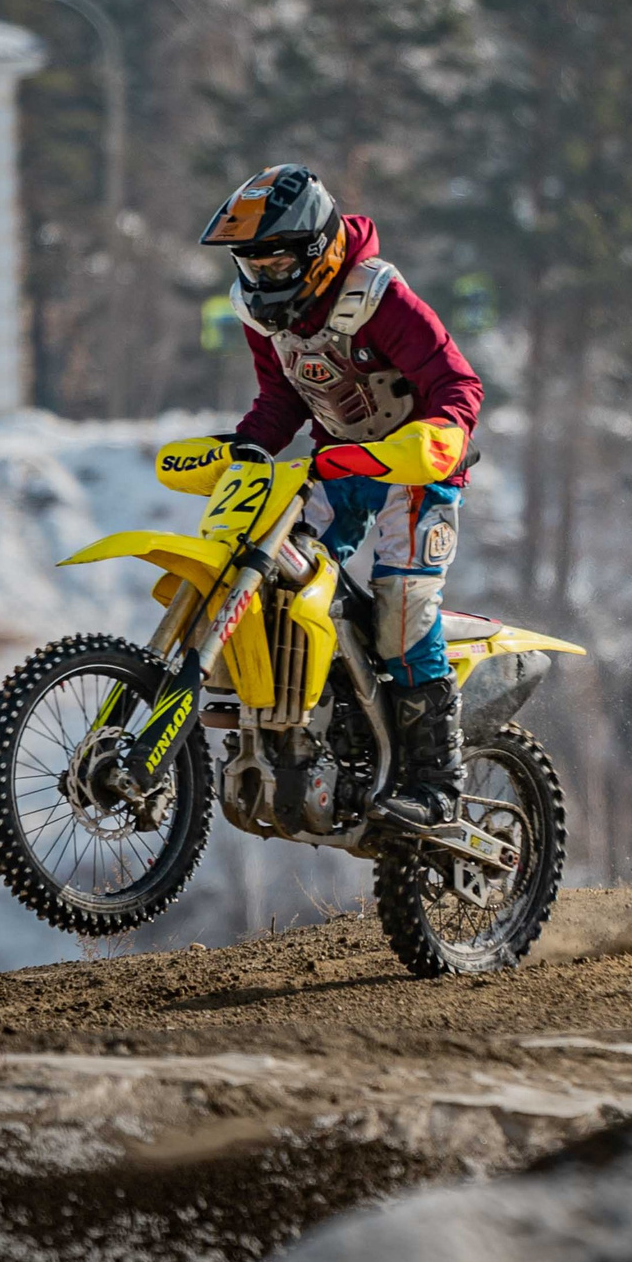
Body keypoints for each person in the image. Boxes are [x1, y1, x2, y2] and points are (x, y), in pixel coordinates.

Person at [190, 163, 483, 832]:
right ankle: (321, 706)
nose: (263, 280)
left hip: (416, 464)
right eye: (251, 266)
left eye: (276, 265)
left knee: (401, 602)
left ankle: (438, 781)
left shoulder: (378, 296)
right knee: (274, 564)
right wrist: (249, 447)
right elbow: (282, 398)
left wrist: (440, 435)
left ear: (318, 253)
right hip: (342, 459)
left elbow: (458, 384)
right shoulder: (263, 319)